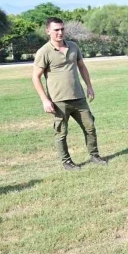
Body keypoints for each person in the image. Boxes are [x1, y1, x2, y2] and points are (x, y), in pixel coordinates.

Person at [32, 17, 107, 171]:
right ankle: (67, 162)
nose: (60, 32)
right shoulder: (44, 52)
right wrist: (45, 100)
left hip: (79, 97)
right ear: (48, 31)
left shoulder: (73, 47)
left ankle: (94, 155)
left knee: (90, 127)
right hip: (58, 100)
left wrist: (89, 87)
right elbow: (35, 77)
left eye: (62, 29)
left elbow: (82, 67)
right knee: (61, 133)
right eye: (56, 30)